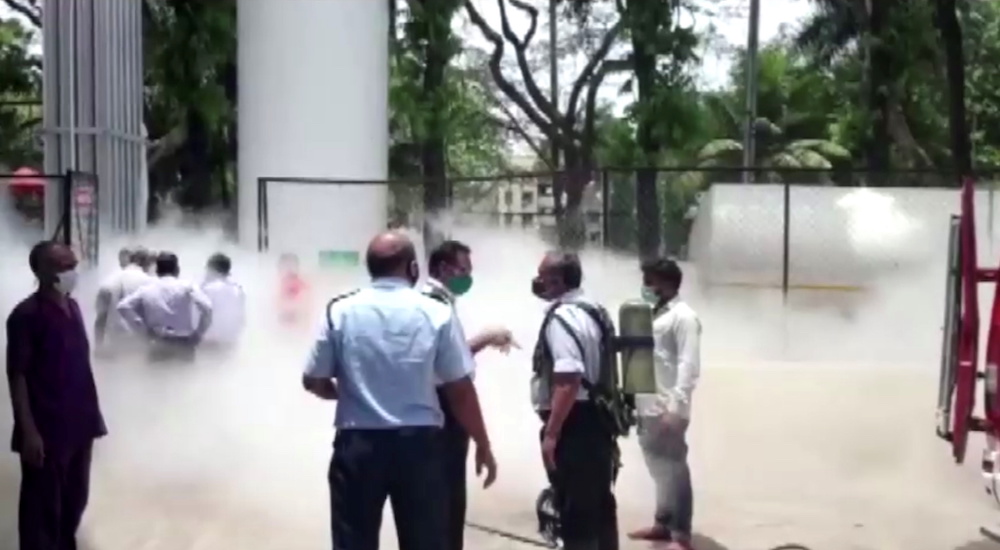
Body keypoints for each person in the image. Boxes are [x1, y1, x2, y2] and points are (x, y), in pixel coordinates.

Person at [303, 230, 497, 550]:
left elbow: (313, 380)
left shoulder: (340, 310)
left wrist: (345, 393)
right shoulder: (435, 312)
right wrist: (483, 442)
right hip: (420, 448)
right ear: (412, 269)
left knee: (353, 539)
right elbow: (459, 388)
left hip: (359, 445)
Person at [5, 240, 107, 550]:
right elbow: (17, 375)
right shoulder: (26, 315)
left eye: (73, 265)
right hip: (46, 426)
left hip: (80, 421)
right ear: (41, 270)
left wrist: (92, 418)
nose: (72, 272)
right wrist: (28, 432)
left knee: (75, 500)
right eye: (63, 266)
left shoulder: (73, 307)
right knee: (42, 507)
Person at [424, 239, 516, 550]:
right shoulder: (436, 307)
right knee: (446, 504)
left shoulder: (432, 303)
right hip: (442, 413)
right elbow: (453, 377)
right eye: (463, 270)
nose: (468, 277)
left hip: (427, 415)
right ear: (443, 268)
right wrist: (482, 441)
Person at [530, 251, 619, 550]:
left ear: (556, 281)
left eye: (542, 277)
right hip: (598, 420)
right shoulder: (594, 309)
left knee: (576, 511)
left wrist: (552, 434)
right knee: (599, 505)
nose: (537, 283)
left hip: (575, 423)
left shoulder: (562, 317)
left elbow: (568, 378)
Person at [628, 258, 701, 550]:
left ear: (667, 283)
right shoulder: (653, 314)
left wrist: (676, 407)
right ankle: (663, 522)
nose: (645, 287)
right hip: (648, 403)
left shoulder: (684, 317)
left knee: (674, 467)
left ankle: (681, 535)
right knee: (658, 467)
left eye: (650, 281)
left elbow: (689, 364)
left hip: (669, 407)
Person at [116, 251, 214, 363]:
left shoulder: (147, 289)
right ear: (177, 270)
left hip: (157, 343)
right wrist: (198, 334)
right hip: (183, 343)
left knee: (157, 379)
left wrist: (142, 329)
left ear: (157, 270)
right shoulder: (187, 286)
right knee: (185, 378)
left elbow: (122, 306)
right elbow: (207, 308)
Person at [94, 246, 153, 356]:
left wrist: (98, 347)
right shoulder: (150, 282)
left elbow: (100, 318)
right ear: (144, 263)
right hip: (140, 344)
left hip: (115, 342)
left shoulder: (109, 280)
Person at [199, 252, 246, 352]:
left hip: (209, 345)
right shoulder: (237, 290)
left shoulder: (206, 290)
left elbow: (196, 317)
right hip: (231, 343)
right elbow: (241, 318)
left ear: (212, 269)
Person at [277, 252, 309, 326]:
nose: (289, 269)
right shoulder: (279, 284)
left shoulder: (302, 284)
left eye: (292, 266)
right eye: (286, 266)